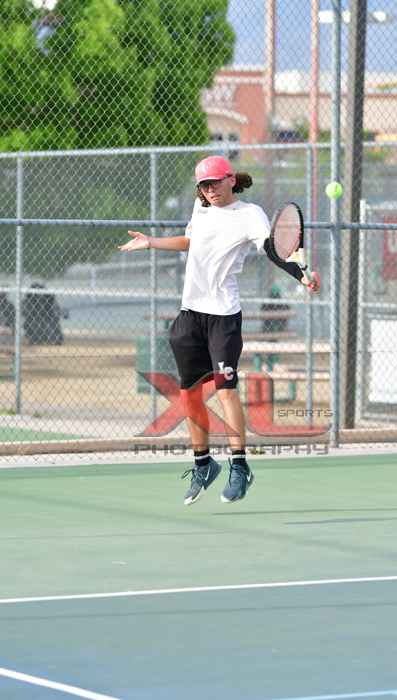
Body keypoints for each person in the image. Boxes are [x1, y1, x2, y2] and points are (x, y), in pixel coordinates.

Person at [119, 155, 319, 506]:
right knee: (189, 396)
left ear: (230, 180)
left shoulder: (250, 214)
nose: (209, 190)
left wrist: (302, 275)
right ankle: (203, 464)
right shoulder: (201, 209)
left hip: (223, 317)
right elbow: (191, 241)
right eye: (203, 185)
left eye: (214, 183)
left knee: (226, 391)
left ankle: (239, 467)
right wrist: (151, 242)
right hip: (190, 316)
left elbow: (272, 250)